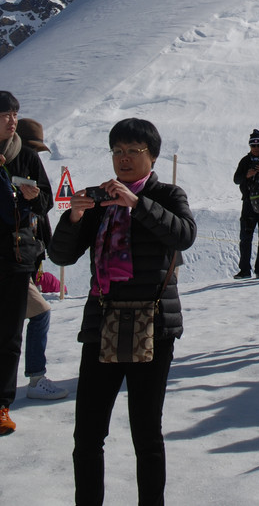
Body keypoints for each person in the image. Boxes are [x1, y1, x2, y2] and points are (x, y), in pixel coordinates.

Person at [48, 118, 197, 506]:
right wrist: (75, 216)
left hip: (154, 325)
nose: (124, 159)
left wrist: (138, 204)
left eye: (134, 151)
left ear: (152, 155)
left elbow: (184, 235)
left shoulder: (166, 194)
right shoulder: (100, 202)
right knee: (87, 435)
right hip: (102, 322)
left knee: (146, 433)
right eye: (117, 151)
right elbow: (61, 255)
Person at [0, 91, 53, 436]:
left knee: (9, 334)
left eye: (15, 114)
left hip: (17, 255)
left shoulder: (27, 157)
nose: (12, 120)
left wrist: (34, 199)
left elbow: (46, 200)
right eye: (5, 114)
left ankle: (2, 405)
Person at [16, 117, 68, 401]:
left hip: (24, 264)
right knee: (40, 313)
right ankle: (36, 378)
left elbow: (43, 210)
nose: (34, 156)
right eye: (31, 149)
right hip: (11, 264)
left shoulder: (30, 176)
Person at [233, 130, 259, 279]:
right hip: (249, 203)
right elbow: (236, 179)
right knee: (246, 238)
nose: (256, 148)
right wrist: (246, 175)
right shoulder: (245, 161)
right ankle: (244, 270)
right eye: (253, 145)